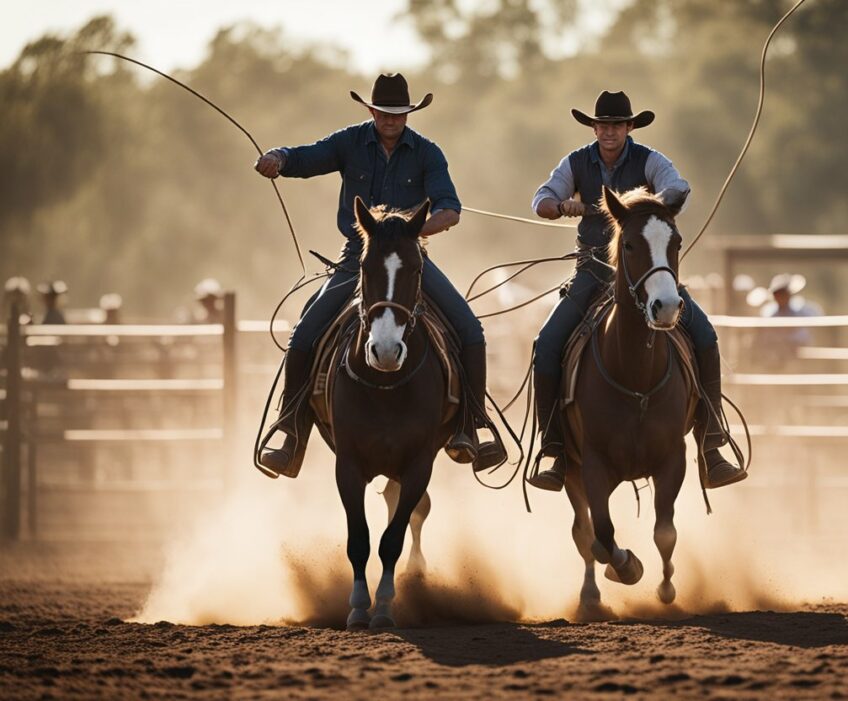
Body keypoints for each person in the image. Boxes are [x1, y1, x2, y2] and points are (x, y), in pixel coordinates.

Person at [253, 73, 504, 476]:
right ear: (371, 111)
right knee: (304, 332)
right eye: (384, 112)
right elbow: (309, 156)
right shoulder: (350, 142)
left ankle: (471, 425)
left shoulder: (427, 153)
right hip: (358, 258)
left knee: (469, 328)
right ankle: (291, 430)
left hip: (408, 259)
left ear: (408, 113)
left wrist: (407, 233)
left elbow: (450, 208)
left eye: (399, 113)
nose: (391, 119)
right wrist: (279, 159)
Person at [526, 90, 745, 492]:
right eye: (602, 125)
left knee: (705, 336)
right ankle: (553, 446)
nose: (609, 131)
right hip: (593, 270)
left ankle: (712, 444)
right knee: (547, 343)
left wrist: (640, 205)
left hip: (648, 273)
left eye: (617, 125)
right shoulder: (576, 162)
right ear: (594, 128)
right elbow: (541, 199)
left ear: (629, 127)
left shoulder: (649, 160)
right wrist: (560, 207)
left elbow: (678, 188)